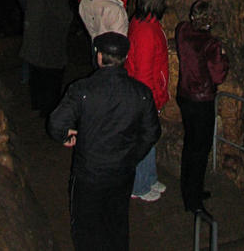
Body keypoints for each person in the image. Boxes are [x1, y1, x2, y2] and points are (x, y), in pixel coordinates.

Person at [47, 31, 161, 251]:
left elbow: (55, 124)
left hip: (89, 172)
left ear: (98, 56)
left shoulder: (82, 90)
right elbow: (152, 133)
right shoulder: (141, 93)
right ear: (126, 58)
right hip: (121, 172)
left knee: (86, 227)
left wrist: (66, 136)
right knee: (117, 223)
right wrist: (132, 157)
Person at [175, 0, 229, 215]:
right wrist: (224, 58)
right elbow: (218, 76)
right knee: (200, 149)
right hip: (202, 101)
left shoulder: (182, 31)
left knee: (190, 144)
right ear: (210, 20)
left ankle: (188, 189)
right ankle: (194, 200)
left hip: (184, 96)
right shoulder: (211, 44)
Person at [17, 0, 72, 117]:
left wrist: (30, 12)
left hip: (33, 25)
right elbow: (60, 6)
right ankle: (50, 107)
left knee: (36, 67)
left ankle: (37, 103)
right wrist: (68, 20)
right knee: (52, 69)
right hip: (51, 29)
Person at [125, 0, 169, 202]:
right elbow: (143, 74)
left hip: (146, 93)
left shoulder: (146, 23)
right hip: (144, 96)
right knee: (144, 138)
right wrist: (155, 100)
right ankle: (138, 185)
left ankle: (149, 178)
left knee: (149, 139)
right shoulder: (145, 32)